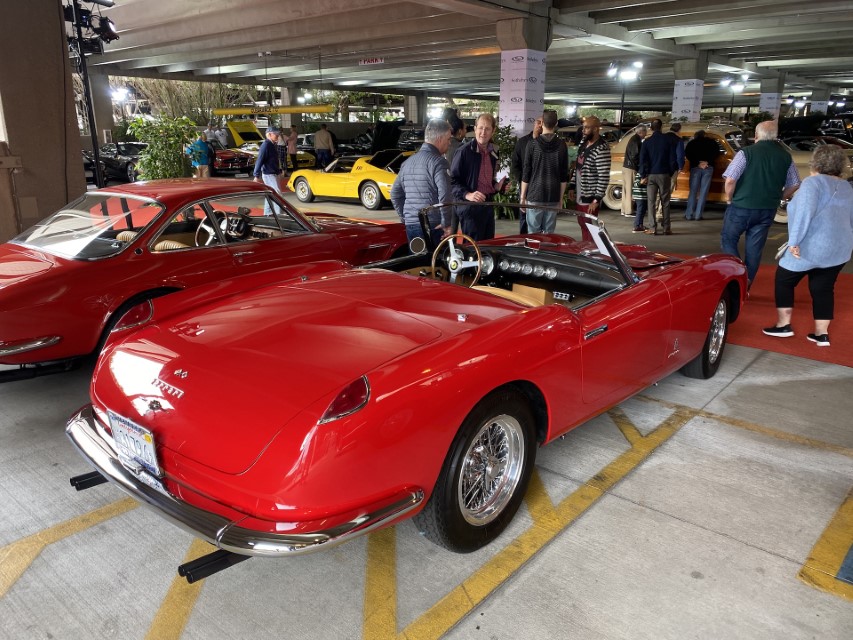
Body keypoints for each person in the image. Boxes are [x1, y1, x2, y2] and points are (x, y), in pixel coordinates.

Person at [762, 145, 853, 346]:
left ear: (816, 162)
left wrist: (794, 242)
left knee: (784, 280)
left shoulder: (813, 183)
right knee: (823, 288)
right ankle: (821, 335)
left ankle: (783, 325)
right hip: (839, 248)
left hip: (811, 246)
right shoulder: (847, 186)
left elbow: (803, 213)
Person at [721, 120, 801, 287]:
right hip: (767, 209)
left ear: (756, 136)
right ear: (775, 136)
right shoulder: (785, 156)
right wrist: (779, 196)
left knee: (729, 239)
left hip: (741, 206)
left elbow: (730, 180)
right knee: (754, 249)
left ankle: (737, 275)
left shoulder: (746, 153)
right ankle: (748, 281)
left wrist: (729, 198)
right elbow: (794, 183)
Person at [390, 118, 453, 248]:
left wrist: (406, 217)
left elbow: (395, 194)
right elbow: (445, 195)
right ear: (440, 139)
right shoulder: (439, 162)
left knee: (417, 264)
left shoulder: (407, 163)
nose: (450, 143)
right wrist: (446, 223)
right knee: (436, 264)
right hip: (433, 225)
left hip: (411, 225)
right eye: (448, 139)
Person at [450, 113, 504, 241]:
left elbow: (486, 179)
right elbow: (452, 181)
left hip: (488, 206)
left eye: (487, 129)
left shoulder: (493, 152)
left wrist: (497, 186)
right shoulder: (464, 151)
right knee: (473, 250)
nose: (483, 132)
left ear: (493, 131)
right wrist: (467, 194)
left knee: (488, 247)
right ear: (475, 129)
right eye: (480, 128)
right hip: (470, 208)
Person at [520, 110, 567, 234]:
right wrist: (561, 199)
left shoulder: (532, 144)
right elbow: (563, 175)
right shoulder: (562, 145)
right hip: (553, 195)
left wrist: (522, 197)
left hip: (535, 194)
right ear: (556, 123)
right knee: (549, 234)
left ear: (542, 123)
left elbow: (526, 173)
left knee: (533, 234)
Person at [639, 118, 677, 235]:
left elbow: (643, 160)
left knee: (651, 202)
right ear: (661, 127)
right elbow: (672, 159)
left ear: (651, 128)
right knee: (665, 201)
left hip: (651, 175)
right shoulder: (668, 141)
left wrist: (643, 174)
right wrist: (670, 173)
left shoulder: (647, 142)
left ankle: (652, 228)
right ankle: (666, 228)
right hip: (664, 174)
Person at [572, 115, 611, 217]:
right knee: (583, 225)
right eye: (583, 127)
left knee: (590, 227)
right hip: (580, 194)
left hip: (590, 197)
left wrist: (596, 199)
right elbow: (578, 166)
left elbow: (603, 176)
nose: (583, 130)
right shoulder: (584, 142)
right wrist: (572, 185)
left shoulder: (601, 149)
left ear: (595, 129)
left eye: (587, 128)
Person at [510, 116, 543, 233]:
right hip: (525, 187)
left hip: (542, 188)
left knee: (540, 220)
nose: (540, 125)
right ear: (534, 123)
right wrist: (522, 180)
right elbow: (515, 164)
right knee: (524, 217)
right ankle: (523, 243)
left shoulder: (549, 144)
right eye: (538, 122)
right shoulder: (522, 142)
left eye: (543, 123)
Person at [683, 130, 721, 220]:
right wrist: (707, 162)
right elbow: (716, 153)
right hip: (708, 168)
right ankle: (698, 215)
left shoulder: (692, 143)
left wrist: (698, 163)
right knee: (703, 192)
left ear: (696, 136)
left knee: (693, 191)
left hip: (695, 168)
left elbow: (688, 154)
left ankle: (689, 215)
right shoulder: (712, 142)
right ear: (704, 135)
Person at [444, 117, 467, 234]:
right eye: (465, 129)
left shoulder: (443, 146)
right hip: (459, 194)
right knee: (464, 228)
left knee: (450, 230)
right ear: (459, 132)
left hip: (445, 193)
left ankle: (449, 250)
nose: (466, 131)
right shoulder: (463, 148)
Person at [621, 125, 647, 218]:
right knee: (630, 189)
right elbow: (635, 155)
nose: (646, 134)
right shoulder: (636, 140)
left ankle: (624, 210)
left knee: (625, 190)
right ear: (641, 132)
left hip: (626, 166)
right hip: (631, 167)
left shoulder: (633, 139)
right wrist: (639, 165)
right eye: (645, 132)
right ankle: (629, 211)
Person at [252, 126, 283, 195]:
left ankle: (268, 206)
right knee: (277, 195)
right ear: (269, 135)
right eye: (275, 134)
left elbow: (275, 160)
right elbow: (260, 160)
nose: (277, 135)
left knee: (271, 195)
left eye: (278, 134)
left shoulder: (272, 144)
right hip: (269, 174)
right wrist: (256, 175)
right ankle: (279, 206)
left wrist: (279, 171)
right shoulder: (266, 145)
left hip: (273, 173)